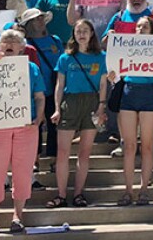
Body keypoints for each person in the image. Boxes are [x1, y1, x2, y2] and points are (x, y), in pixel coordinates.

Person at [0, 29, 46, 235]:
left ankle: (18, 216)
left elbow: (40, 96)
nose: (9, 43)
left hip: (25, 126)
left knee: (23, 172)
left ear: (22, 48)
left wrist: (39, 118)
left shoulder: (32, 68)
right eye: (5, 40)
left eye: (14, 40)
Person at [46, 19, 108, 208]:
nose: (81, 34)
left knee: (85, 152)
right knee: (63, 152)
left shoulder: (101, 56)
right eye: (78, 31)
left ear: (91, 34)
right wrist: (57, 108)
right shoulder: (65, 58)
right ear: (73, 34)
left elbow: (104, 83)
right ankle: (62, 194)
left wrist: (101, 106)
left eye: (85, 31)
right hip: (70, 102)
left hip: (92, 102)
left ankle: (79, 193)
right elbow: (60, 85)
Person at [115, 16, 153, 206]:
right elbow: (114, 75)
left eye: (145, 26)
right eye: (138, 26)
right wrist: (111, 74)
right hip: (129, 93)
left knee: (147, 146)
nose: (140, 29)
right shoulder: (126, 48)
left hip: (148, 95)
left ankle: (144, 190)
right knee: (129, 146)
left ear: (152, 30)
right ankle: (128, 190)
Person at [19, 8, 64, 184]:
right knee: (34, 125)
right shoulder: (24, 44)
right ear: (28, 24)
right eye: (36, 19)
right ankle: (35, 159)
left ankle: (53, 158)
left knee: (54, 125)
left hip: (53, 88)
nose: (40, 22)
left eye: (41, 18)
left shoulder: (55, 40)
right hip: (32, 90)